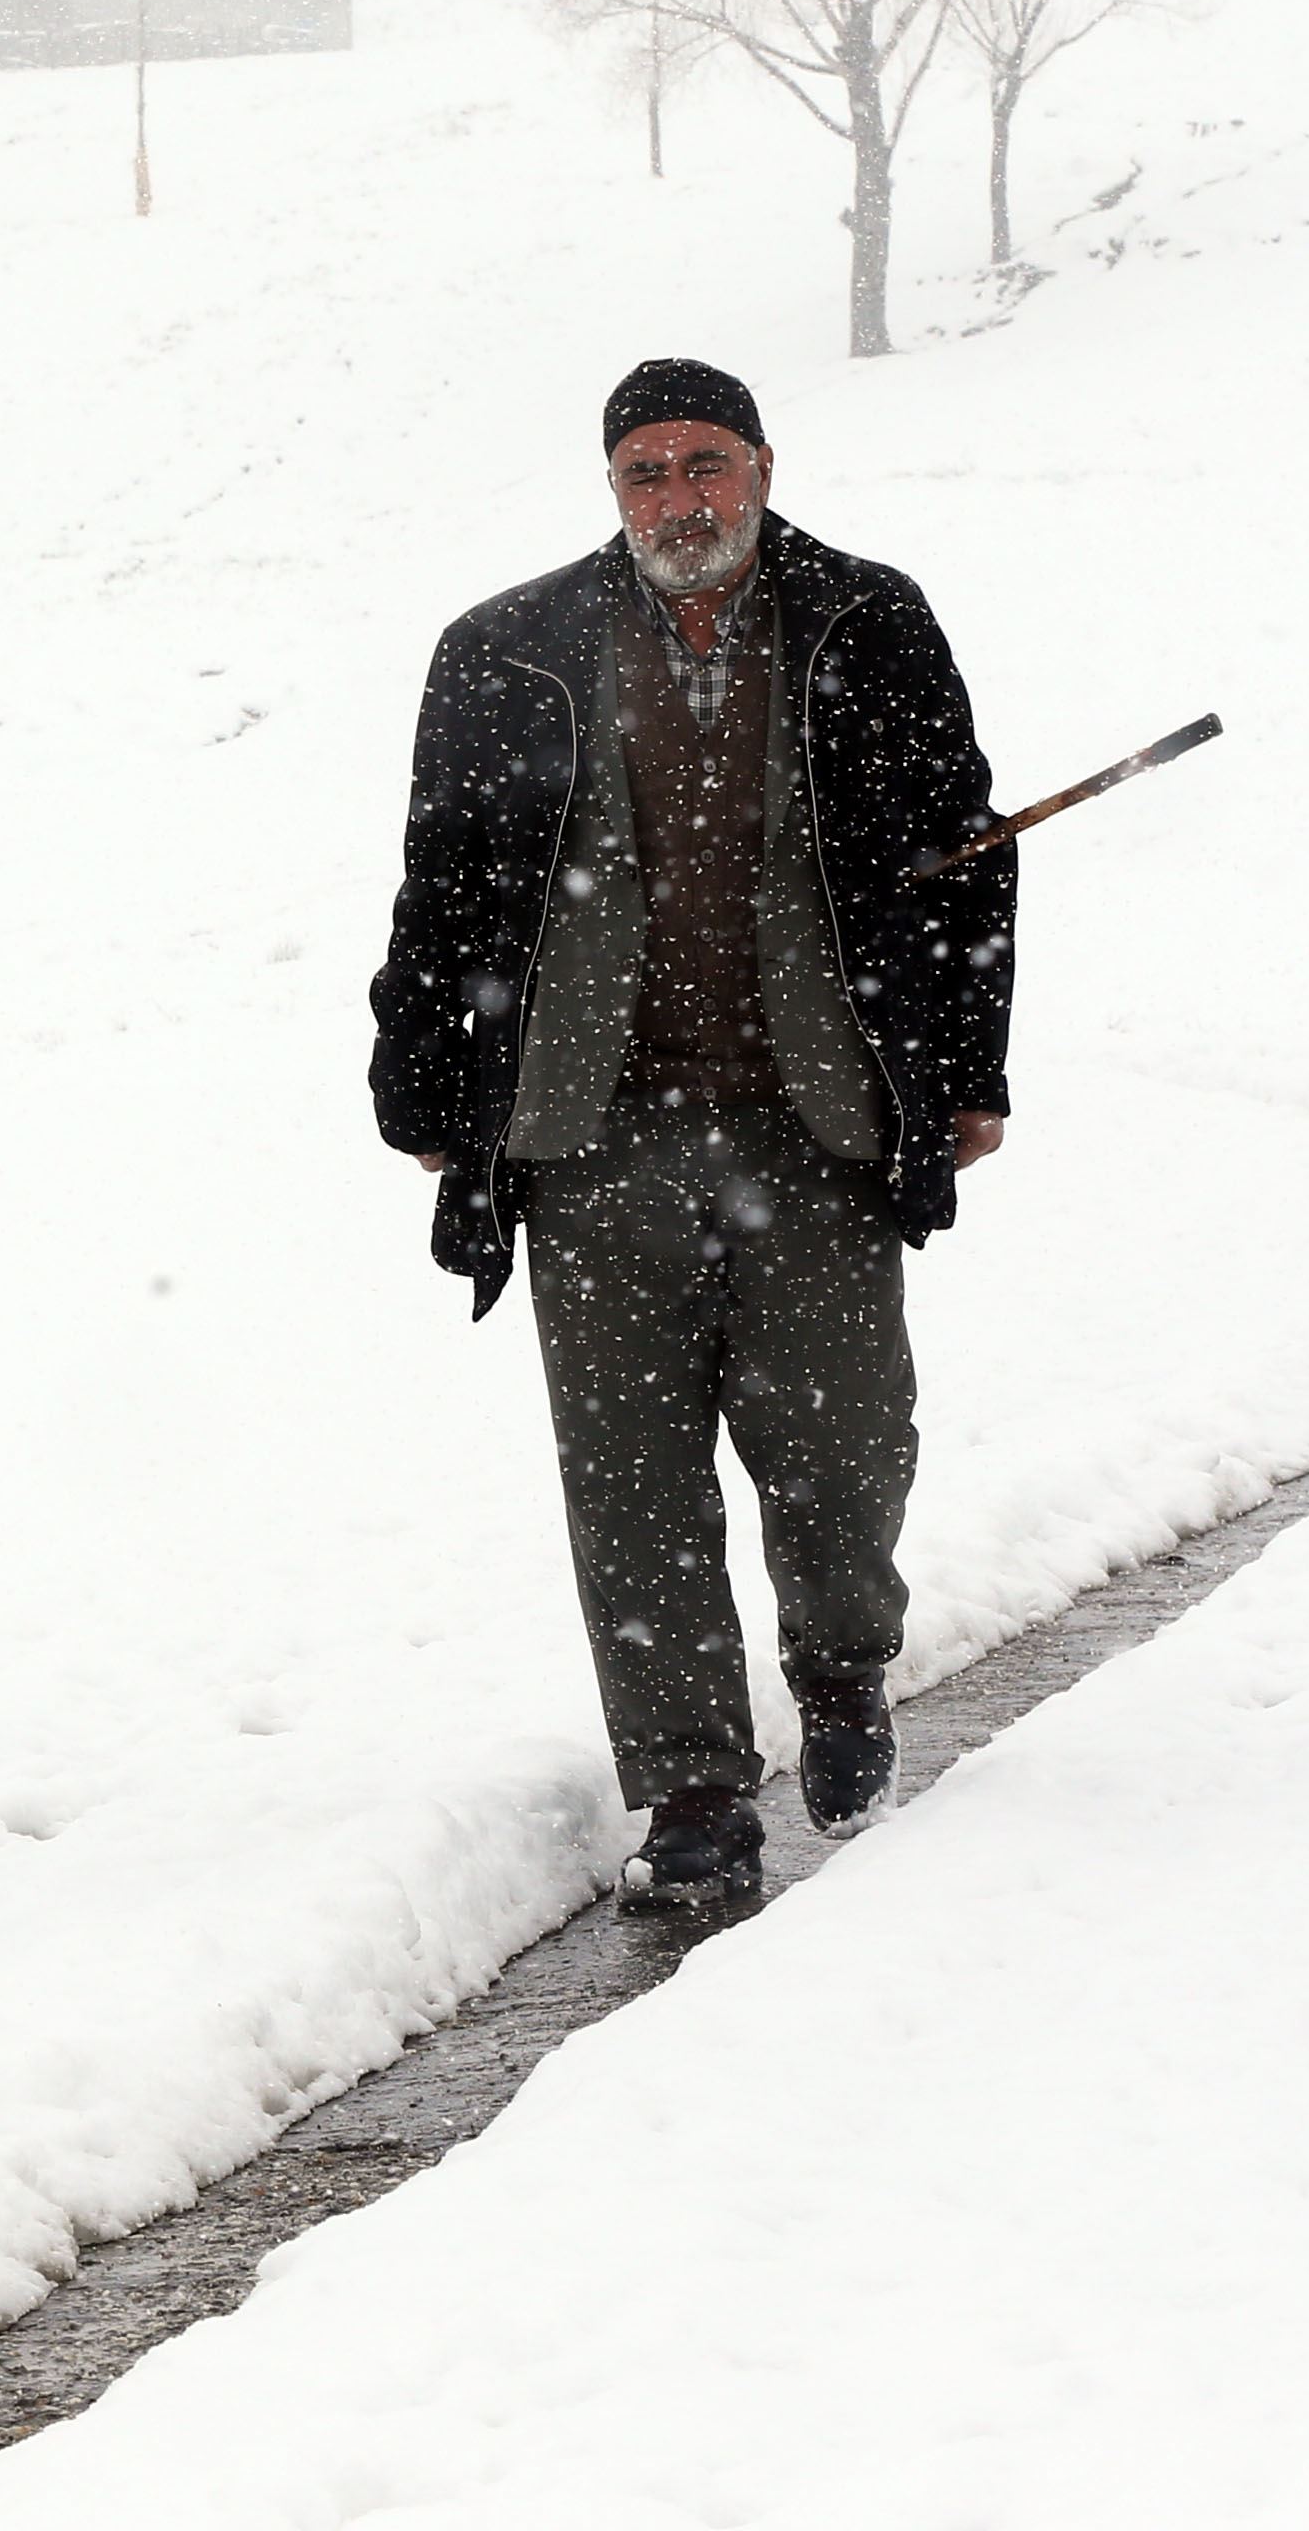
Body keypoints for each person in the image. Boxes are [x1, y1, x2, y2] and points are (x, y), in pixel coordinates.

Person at [366, 358, 1015, 1909]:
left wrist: (965, 1074)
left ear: (766, 466)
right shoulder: (508, 652)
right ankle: (696, 1796)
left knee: (846, 1453)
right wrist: (429, 1096)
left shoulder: (869, 624)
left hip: (816, 1119)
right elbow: (442, 882)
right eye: (648, 474)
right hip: (590, 1138)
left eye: (706, 464)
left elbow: (964, 861)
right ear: (613, 491)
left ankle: (845, 1671)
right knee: (631, 1483)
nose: (683, 498)